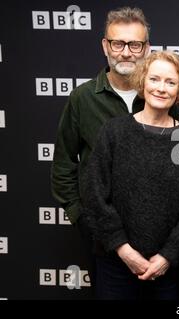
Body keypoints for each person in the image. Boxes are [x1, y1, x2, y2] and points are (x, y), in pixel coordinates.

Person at [80, 50, 179, 300]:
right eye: (154, 79)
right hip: (115, 264)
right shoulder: (114, 131)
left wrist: (167, 256)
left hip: (167, 268)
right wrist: (124, 250)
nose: (161, 88)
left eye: (170, 82)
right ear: (142, 81)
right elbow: (95, 194)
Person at [50, 7, 151, 288]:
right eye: (118, 43)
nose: (126, 52)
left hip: (156, 236)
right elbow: (63, 163)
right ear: (105, 45)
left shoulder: (161, 95)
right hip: (102, 234)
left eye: (135, 44)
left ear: (146, 48)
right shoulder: (82, 99)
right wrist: (80, 217)